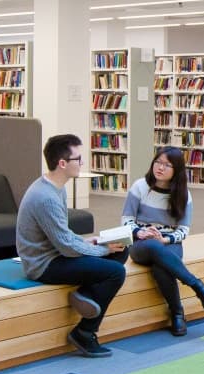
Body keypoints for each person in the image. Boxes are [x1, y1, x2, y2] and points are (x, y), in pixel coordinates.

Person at [16, 134, 128, 358]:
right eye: (78, 159)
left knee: (122, 249)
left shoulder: (56, 186)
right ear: (63, 163)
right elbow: (66, 246)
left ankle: (85, 295)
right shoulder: (45, 196)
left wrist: (89, 242)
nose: (82, 164)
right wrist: (101, 250)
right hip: (44, 264)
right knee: (116, 271)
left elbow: (63, 234)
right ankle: (85, 333)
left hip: (57, 252)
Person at [122, 147, 204, 336]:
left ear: (177, 170)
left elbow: (183, 230)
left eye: (167, 165)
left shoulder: (183, 194)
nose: (160, 168)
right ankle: (196, 285)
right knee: (154, 246)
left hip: (169, 243)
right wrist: (141, 232)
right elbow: (126, 220)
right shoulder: (140, 186)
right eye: (158, 162)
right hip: (142, 243)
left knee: (160, 267)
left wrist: (164, 239)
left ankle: (177, 313)